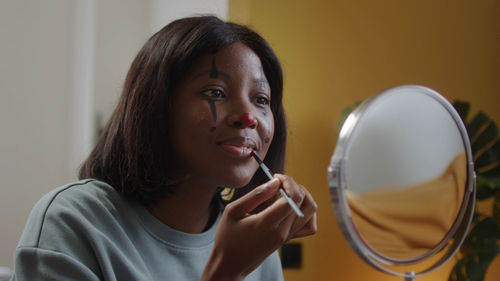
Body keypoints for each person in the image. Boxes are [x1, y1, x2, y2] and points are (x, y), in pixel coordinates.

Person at [11, 15, 317, 281]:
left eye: (261, 99)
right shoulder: (74, 222)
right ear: (156, 106)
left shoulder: (255, 246)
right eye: (216, 92)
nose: (248, 118)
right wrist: (226, 272)